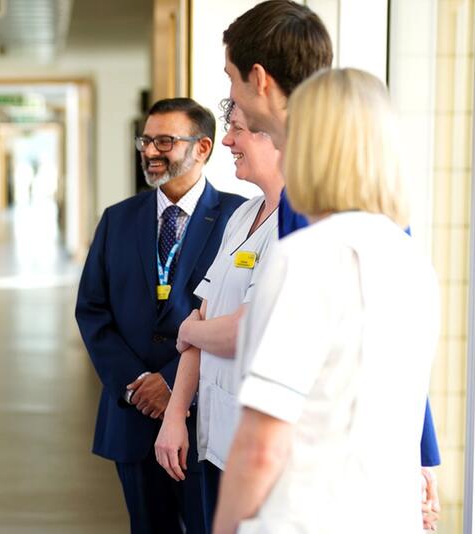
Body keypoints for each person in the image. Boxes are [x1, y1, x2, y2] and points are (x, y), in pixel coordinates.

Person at [221, 1, 441, 527]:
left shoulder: (311, 232)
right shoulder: (402, 249)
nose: (228, 99)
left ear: (259, 79)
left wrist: (422, 451)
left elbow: (265, 440)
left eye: (229, 77)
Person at [76, 97, 245, 534]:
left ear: (203, 148)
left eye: (165, 141)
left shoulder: (238, 217)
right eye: (146, 140)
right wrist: (136, 385)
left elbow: (240, 316)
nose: (151, 151)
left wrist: (170, 382)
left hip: (203, 416)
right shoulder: (118, 219)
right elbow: (92, 311)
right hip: (132, 416)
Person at [154, 99, 282, 532]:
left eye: (239, 130)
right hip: (213, 433)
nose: (229, 140)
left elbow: (241, 332)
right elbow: (205, 317)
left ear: (274, 136)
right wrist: (174, 415)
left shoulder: (294, 227)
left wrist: (194, 328)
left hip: (257, 445)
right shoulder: (244, 213)